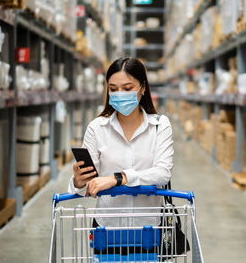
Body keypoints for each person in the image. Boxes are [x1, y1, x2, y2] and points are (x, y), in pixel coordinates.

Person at [68, 57, 174, 228]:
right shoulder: (97, 128)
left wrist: (118, 178)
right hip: (107, 227)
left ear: (143, 88)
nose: (120, 94)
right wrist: (79, 182)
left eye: (127, 88)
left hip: (148, 228)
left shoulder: (160, 126)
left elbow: (162, 173)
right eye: (113, 89)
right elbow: (89, 184)